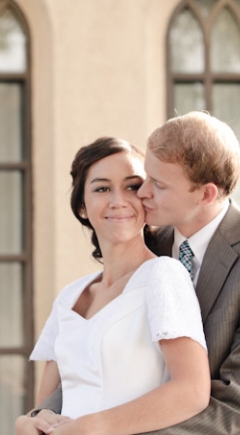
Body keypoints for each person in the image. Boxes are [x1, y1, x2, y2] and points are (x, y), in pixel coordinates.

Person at [19, 112, 240, 434]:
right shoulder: (150, 244)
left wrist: (107, 429)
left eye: (157, 184)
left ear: (205, 194)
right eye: (145, 178)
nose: (142, 193)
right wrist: (40, 417)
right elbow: (92, 363)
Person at [17, 136, 211, 435]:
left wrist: (92, 426)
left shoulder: (163, 275)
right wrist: (28, 421)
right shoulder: (69, 296)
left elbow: (192, 392)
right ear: (82, 206)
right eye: (102, 188)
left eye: (132, 187)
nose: (118, 200)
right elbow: (46, 404)